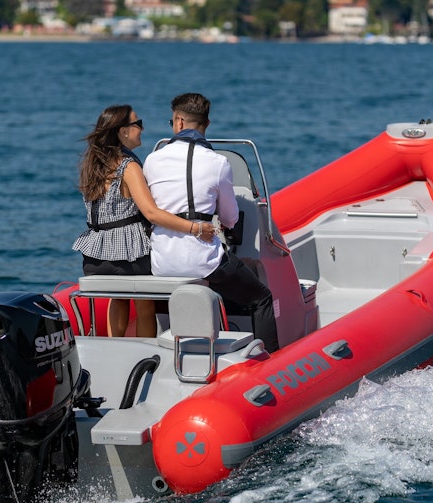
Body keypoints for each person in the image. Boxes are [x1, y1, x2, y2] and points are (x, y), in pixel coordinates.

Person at [142, 93, 280, 351]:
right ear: (206, 124)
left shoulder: (153, 160)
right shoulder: (218, 163)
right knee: (261, 298)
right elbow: (230, 218)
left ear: (179, 122)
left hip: (162, 262)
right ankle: (270, 362)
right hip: (202, 261)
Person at [72, 104, 215, 338]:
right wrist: (195, 228)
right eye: (138, 124)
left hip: (95, 258)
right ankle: (147, 356)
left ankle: (115, 349)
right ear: (123, 131)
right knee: (145, 305)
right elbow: (152, 214)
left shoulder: (92, 166)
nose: (142, 128)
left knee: (118, 298)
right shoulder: (128, 167)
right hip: (129, 256)